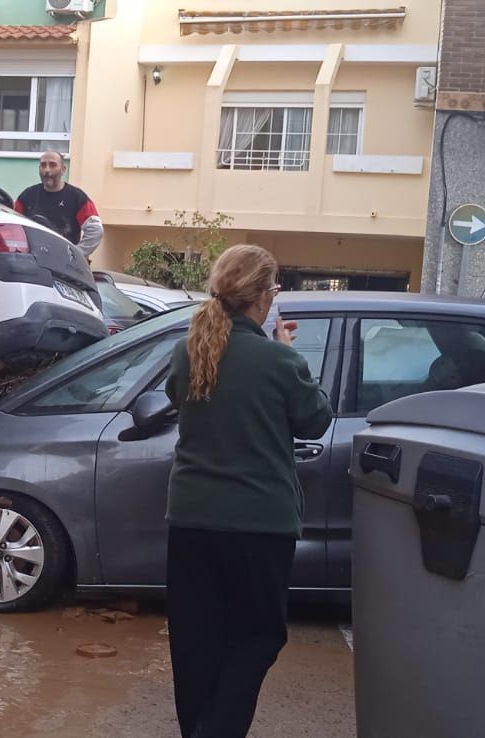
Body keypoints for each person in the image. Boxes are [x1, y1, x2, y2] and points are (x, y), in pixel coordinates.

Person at [164, 244, 333, 738]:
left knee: (196, 640)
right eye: (274, 289)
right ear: (264, 296)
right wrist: (286, 351)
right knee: (257, 638)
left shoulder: (189, 349)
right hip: (259, 525)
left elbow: (181, 400)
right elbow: (316, 420)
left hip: (192, 519)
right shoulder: (278, 360)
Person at [14, 150, 103, 261]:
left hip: (65, 268)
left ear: (63, 170)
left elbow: (95, 229)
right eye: (43, 165)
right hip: (33, 263)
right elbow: (12, 225)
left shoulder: (76, 197)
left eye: (52, 165)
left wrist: (76, 253)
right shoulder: (27, 196)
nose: (47, 170)